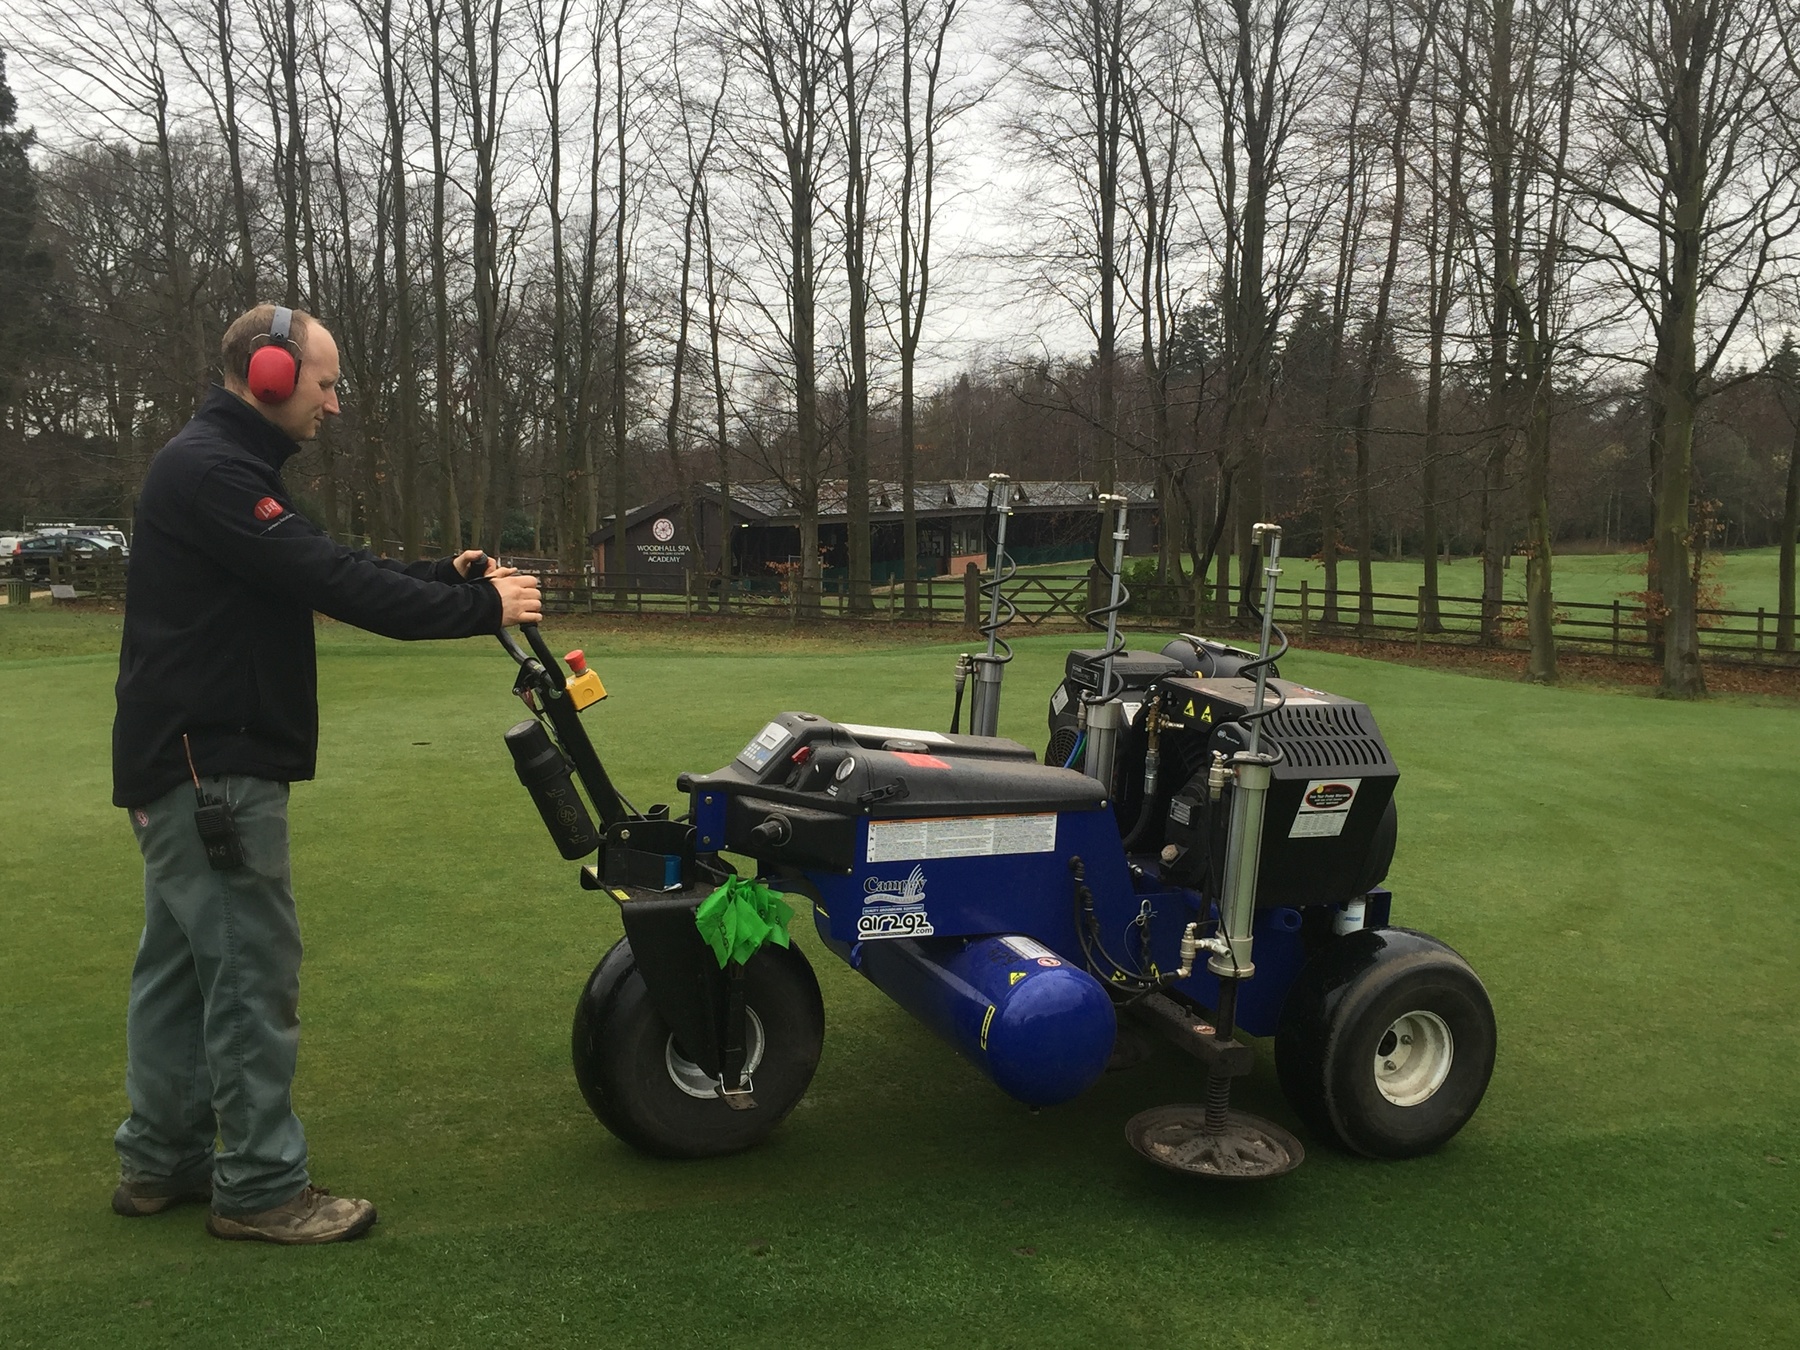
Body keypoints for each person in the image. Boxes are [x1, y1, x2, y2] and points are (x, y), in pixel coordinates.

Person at [109, 304, 542, 1244]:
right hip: (214, 766)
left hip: (179, 760)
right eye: (326, 383)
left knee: (178, 972)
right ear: (269, 374)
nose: (334, 404)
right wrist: (482, 608)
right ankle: (261, 1186)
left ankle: (161, 1159)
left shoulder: (221, 466)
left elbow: (320, 564)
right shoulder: (216, 471)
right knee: (250, 974)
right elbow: (334, 583)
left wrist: (443, 577)